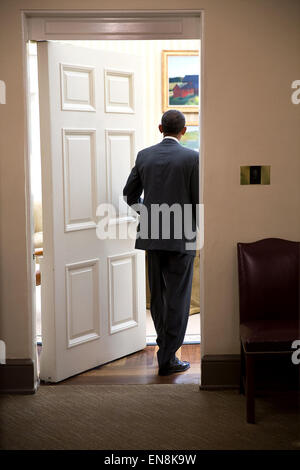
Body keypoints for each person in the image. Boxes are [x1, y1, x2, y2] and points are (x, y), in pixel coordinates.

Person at [123, 109, 199, 376]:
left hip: (152, 237)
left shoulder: (145, 156)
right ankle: (168, 358)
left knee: (159, 298)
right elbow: (198, 200)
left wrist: (149, 214)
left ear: (159, 128)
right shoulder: (193, 158)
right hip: (182, 238)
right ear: (184, 131)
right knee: (179, 299)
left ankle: (164, 351)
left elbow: (129, 194)